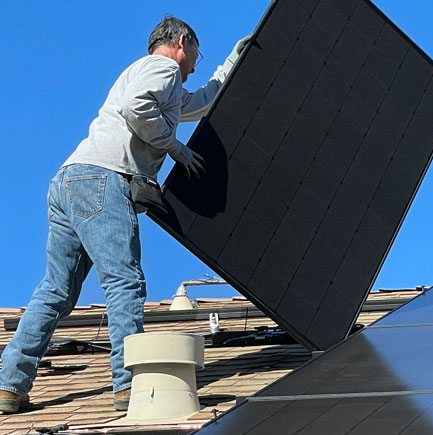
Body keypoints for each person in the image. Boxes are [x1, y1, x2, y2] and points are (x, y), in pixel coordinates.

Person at [0, 15, 249, 414]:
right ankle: (128, 385)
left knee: (55, 292)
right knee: (125, 281)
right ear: (182, 41)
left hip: (69, 181)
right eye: (196, 57)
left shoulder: (156, 79)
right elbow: (138, 108)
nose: (194, 67)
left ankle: (9, 384)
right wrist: (175, 148)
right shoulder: (163, 67)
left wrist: (232, 63)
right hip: (103, 179)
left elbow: (200, 103)